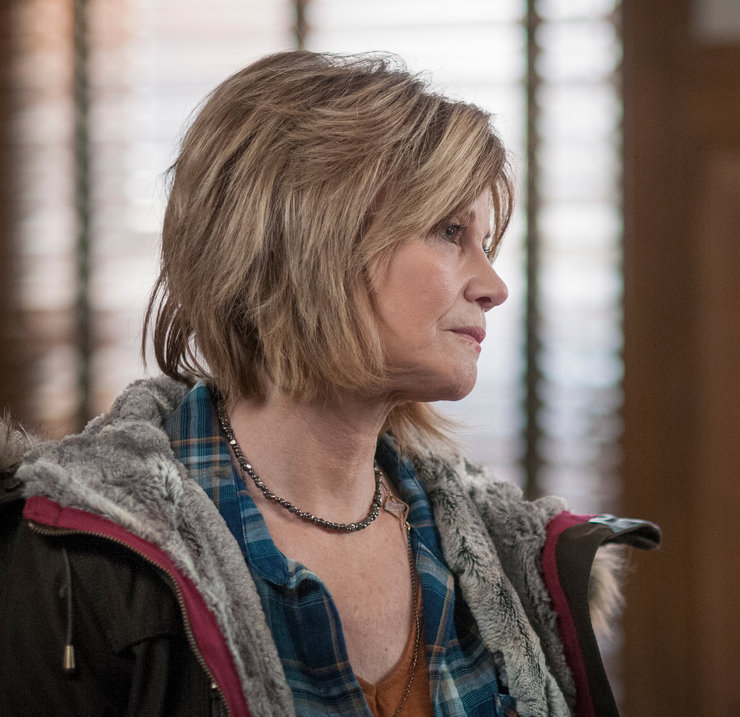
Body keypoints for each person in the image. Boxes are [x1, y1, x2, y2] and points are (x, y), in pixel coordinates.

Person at [0, 50, 659, 717]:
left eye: (486, 243)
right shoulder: (77, 560)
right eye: (450, 231)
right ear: (308, 238)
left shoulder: (516, 560)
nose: (494, 286)